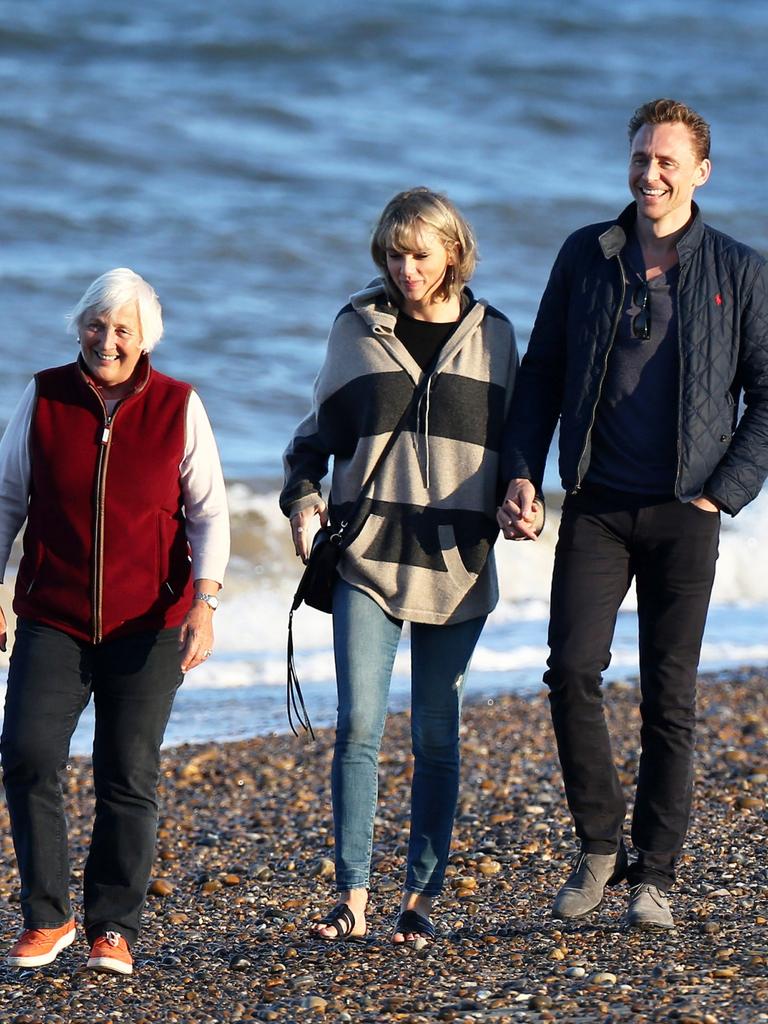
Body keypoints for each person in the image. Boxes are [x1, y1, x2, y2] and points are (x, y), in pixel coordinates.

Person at [499, 98, 768, 929]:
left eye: (666, 162)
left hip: (687, 508)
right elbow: (541, 373)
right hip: (596, 504)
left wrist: (723, 490)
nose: (649, 174)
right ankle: (599, 850)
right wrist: (522, 474)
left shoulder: (738, 270)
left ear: (700, 172)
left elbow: (766, 397)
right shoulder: (589, 254)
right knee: (572, 671)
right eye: (640, 157)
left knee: (670, 696)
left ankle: (656, 875)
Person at [281, 188, 521, 944]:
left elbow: (519, 446)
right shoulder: (356, 329)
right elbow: (313, 437)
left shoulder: (495, 338)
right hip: (367, 557)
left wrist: (526, 495)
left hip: (456, 561)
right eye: (393, 253)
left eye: (419, 254)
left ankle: (419, 898)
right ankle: (350, 896)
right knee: (358, 727)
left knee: (436, 736)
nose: (405, 268)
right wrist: (301, 500)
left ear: (453, 252)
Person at [0, 268, 230, 973]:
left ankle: (113, 928)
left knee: (127, 774)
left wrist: (204, 602)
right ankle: (49, 917)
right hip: (53, 614)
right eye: (97, 325)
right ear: (80, 326)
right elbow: (8, 498)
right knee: (27, 755)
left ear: (145, 338)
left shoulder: (177, 406)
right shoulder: (43, 396)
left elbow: (210, 512)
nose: (107, 340)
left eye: (122, 329)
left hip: (149, 623)